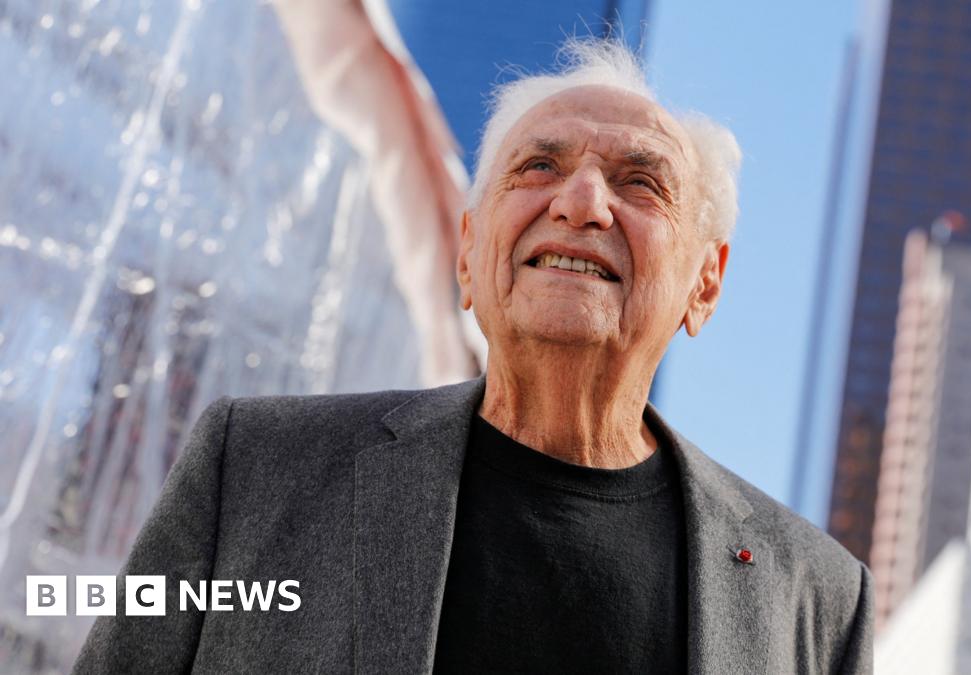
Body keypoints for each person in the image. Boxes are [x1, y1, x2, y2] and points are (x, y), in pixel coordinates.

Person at [72, 37, 872, 674]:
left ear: (706, 283)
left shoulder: (817, 602)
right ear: (467, 254)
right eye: (538, 167)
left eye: (639, 183)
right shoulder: (251, 469)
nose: (581, 202)